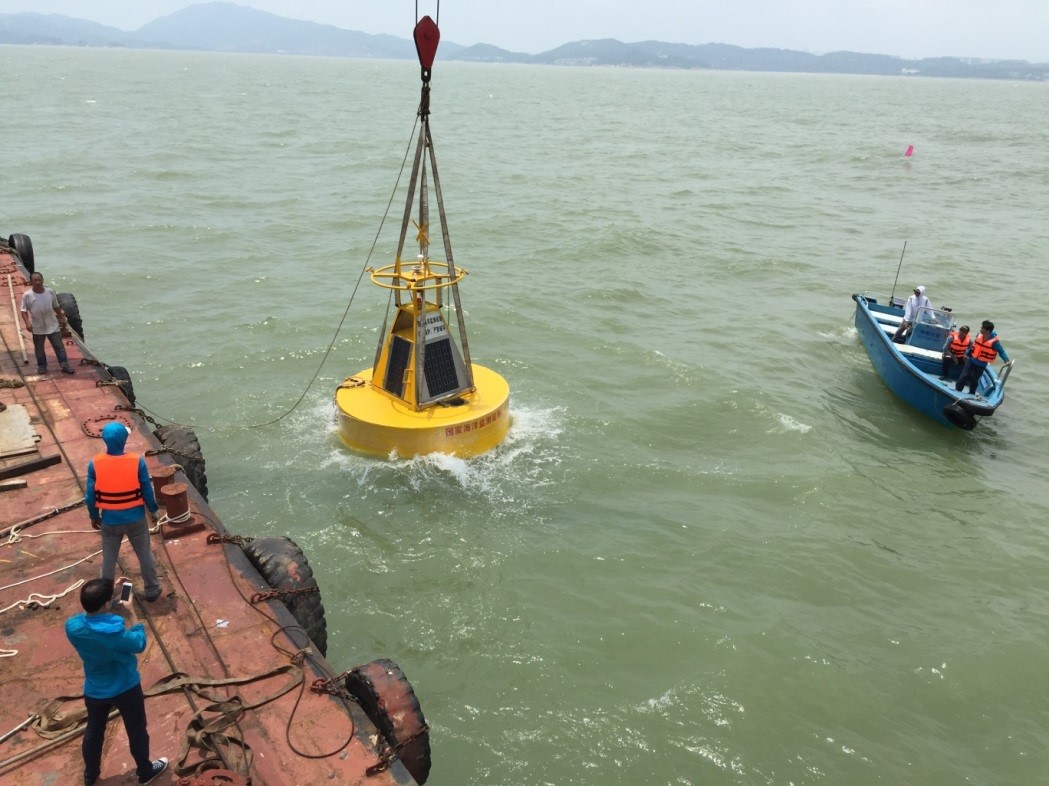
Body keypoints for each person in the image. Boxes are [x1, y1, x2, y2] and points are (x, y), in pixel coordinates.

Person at [65, 577, 168, 786]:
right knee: (136, 730)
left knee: (94, 731)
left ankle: (90, 774)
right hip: (125, 687)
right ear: (105, 604)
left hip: (95, 689)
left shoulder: (73, 627)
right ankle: (145, 771)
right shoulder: (115, 633)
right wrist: (131, 612)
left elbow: (93, 616)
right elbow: (139, 643)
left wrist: (110, 592)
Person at [87, 422, 163, 602]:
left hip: (109, 521)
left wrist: (94, 516)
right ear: (124, 440)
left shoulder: (94, 463)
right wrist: (153, 509)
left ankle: (104, 596)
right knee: (144, 555)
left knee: (109, 560)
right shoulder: (137, 461)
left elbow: (90, 495)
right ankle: (152, 589)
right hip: (136, 519)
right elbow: (146, 489)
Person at [20, 271, 75, 375]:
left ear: (43, 280)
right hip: (38, 326)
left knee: (59, 346)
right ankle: (42, 366)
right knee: (39, 348)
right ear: (31, 282)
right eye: (35, 280)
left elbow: (56, 306)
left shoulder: (50, 292)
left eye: (39, 280)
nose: (37, 282)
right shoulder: (27, 295)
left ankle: (64, 365)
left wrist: (62, 318)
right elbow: (23, 310)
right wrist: (27, 322)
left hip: (52, 325)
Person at [955, 320, 1011, 395]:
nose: (980, 329)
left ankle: (971, 393)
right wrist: (967, 354)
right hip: (971, 360)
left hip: (981, 364)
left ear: (988, 331)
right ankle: (957, 391)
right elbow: (974, 346)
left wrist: (1006, 360)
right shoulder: (979, 335)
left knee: (974, 380)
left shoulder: (994, 342)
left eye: (982, 328)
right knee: (963, 376)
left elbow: (1001, 351)